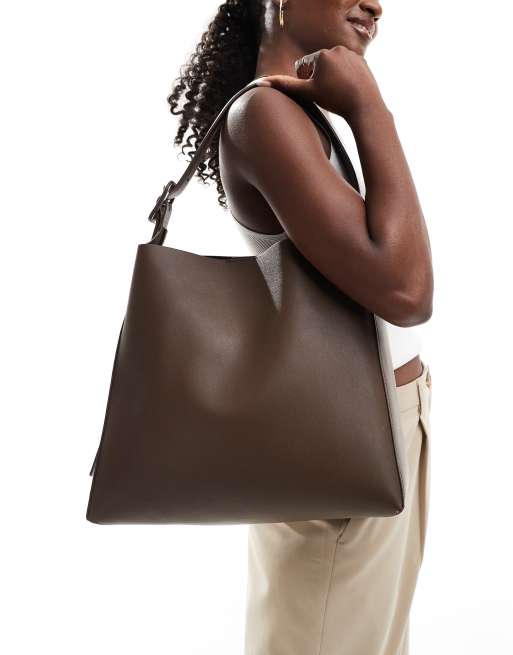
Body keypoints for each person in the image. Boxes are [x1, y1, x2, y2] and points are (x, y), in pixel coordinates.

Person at [167, 1, 434, 653]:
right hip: (338, 444)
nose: (375, 3)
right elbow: (406, 291)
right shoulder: (264, 114)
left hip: (381, 425)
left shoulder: (301, 112)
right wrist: (370, 108)